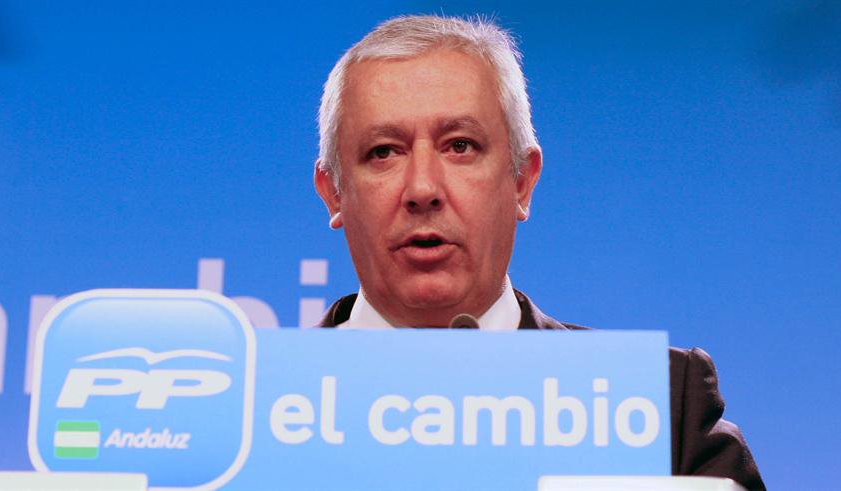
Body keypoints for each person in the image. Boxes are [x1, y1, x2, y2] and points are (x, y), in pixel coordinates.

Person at [312, 15, 764, 490]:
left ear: (522, 182)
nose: (422, 188)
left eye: (460, 146)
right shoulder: (263, 406)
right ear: (333, 192)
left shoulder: (655, 404)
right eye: (383, 152)